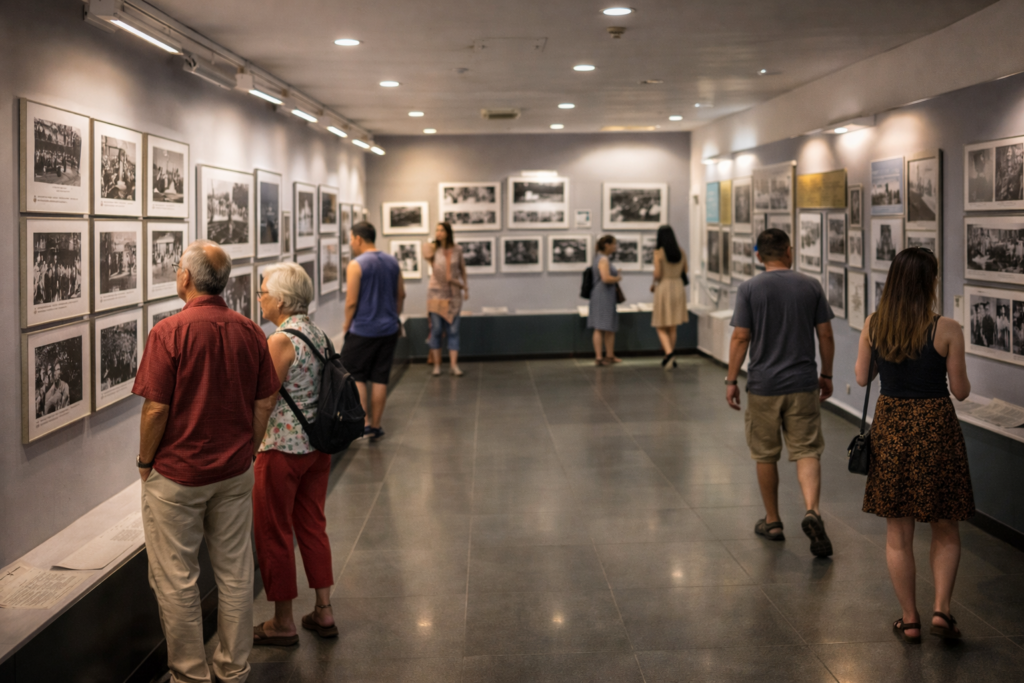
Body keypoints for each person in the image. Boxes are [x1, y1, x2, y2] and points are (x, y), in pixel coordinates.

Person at [132, 240, 280, 683]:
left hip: (178, 475)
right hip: (234, 472)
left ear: (186, 278)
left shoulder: (169, 332)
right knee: (235, 573)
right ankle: (233, 669)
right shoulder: (251, 330)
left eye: (178, 267)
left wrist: (144, 461)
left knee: (177, 580)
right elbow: (265, 401)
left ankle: (189, 675)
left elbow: (156, 409)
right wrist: (249, 449)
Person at [855, 247, 974, 643]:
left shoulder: (875, 324)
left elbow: (861, 378)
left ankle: (909, 619)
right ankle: (942, 609)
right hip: (935, 425)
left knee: (898, 531)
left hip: (891, 425)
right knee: (945, 524)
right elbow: (960, 392)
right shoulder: (947, 328)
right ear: (931, 282)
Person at [726, 228, 836, 558]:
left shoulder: (749, 288)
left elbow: (741, 338)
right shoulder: (810, 285)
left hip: (764, 385)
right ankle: (812, 510)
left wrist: (731, 379)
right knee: (806, 450)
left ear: (758, 255)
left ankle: (772, 520)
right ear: (789, 251)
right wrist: (826, 374)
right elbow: (826, 335)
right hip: (802, 383)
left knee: (765, 453)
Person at [252, 262, 337, 647]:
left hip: (283, 450)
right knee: (312, 525)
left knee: (275, 532)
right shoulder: (317, 333)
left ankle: (282, 621)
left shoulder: (280, 341)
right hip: (317, 449)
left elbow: (266, 401)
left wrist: (250, 448)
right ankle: (323, 609)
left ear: (282, 301)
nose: (259, 298)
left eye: (263, 291)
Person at [342, 221, 405, 442]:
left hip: (363, 329)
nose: (350, 243)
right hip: (388, 329)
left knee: (356, 374)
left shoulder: (356, 265)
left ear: (358, 238)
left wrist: (346, 324)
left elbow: (351, 301)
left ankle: (365, 423)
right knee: (380, 377)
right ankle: (377, 426)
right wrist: (393, 317)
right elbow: (401, 294)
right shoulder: (392, 261)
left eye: (351, 239)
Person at [423, 222, 468, 377]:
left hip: (453, 294)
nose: (439, 232)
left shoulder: (458, 250)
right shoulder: (433, 249)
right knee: (436, 329)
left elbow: (462, 269)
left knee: (453, 330)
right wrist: (432, 243)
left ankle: (454, 366)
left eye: (442, 230)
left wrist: (465, 287)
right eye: (437, 230)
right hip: (436, 294)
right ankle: (437, 365)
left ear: (448, 232)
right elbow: (425, 251)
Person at [650, 225, 689, 369]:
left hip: (664, 287)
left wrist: (654, 281)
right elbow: (685, 270)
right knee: (672, 325)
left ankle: (669, 353)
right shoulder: (681, 252)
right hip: (678, 287)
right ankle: (670, 356)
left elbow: (658, 274)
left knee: (660, 324)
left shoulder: (658, 253)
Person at [589, 234, 622, 366]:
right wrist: (617, 278)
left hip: (605, 295)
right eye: (614, 244)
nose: (615, 247)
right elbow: (605, 278)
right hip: (603, 295)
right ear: (607, 245)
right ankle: (599, 356)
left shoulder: (600, 258)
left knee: (609, 326)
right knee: (600, 326)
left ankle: (609, 355)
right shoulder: (603, 259)